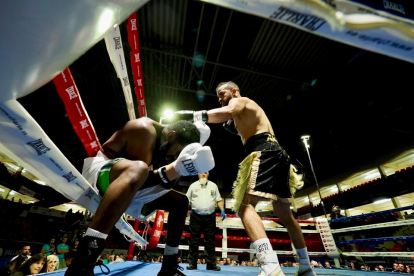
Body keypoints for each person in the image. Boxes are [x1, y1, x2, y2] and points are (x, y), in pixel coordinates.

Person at [176, 81, 314, 276]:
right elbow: (232, 119)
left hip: (263, 150)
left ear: (233, 91)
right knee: (285, 214)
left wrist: (201, 116)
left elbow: (228, 111)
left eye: (222, 93)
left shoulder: (241, 101)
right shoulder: (244, 112)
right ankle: (306, 267)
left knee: (245, 206)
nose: (220, 98)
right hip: (278, 153)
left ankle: (270, 265)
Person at [65, 118, 214, 276]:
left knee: (181, 202)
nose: (174, 157)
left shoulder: (166, 146)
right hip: (100, 173)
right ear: (171, 135)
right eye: (177, 153)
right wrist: (172, 170)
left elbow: (158, 184)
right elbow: (138, 178)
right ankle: (81, 264)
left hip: (128, 187)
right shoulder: (143, 129)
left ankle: (169, 268)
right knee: (140, 168)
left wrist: (178, 169)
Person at [186, 172, 225, 271]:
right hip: (195, 216)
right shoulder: (193, 186)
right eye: (201, 172)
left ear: (208, 174)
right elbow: (186, 199)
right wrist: (184, 209)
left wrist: (222, 210)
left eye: (206, 172)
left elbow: (219, 199)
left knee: (210, 241)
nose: (203, 174)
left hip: (210, 217)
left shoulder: (213, 186)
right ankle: (192, 264)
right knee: (194, 240)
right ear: (198, 174)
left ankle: (211, 264)